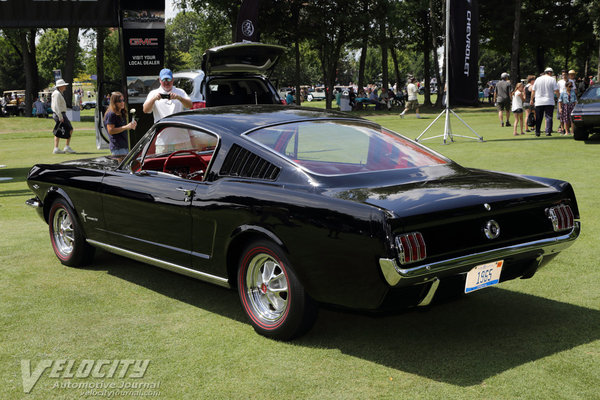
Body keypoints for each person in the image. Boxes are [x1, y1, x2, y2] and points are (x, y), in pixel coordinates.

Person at [104, 92, 137, 157]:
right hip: (118, 147)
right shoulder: (111, 114)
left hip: (125, 146)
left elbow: (123, 128)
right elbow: (110, 130)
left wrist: (131, 126)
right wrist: (126, 127)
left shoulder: (121, 113)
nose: (122, 102)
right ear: (114, 102)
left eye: (123, 100)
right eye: (119, 101)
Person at [531, 67, 559, 137]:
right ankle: (548, 131)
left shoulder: (538, 79)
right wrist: (559, 98)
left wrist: (531, 99)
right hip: (549, 101)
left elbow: (533, 90)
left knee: (538, 117)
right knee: (549, 117)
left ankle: (537, 132)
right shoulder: (552, 79)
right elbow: (556, 91)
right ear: (550, 72)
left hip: (539, 101)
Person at [51, 79, 75, 154]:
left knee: (59, 130)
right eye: (64, 85)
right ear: (60, 86)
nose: (65, 86)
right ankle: (65, 147)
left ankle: (57, 148)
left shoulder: (58, 93)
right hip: (59, 114)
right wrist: (60, 116)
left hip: (60, 114)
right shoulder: (57, 94)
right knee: (70, 129)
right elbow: (56, 106)